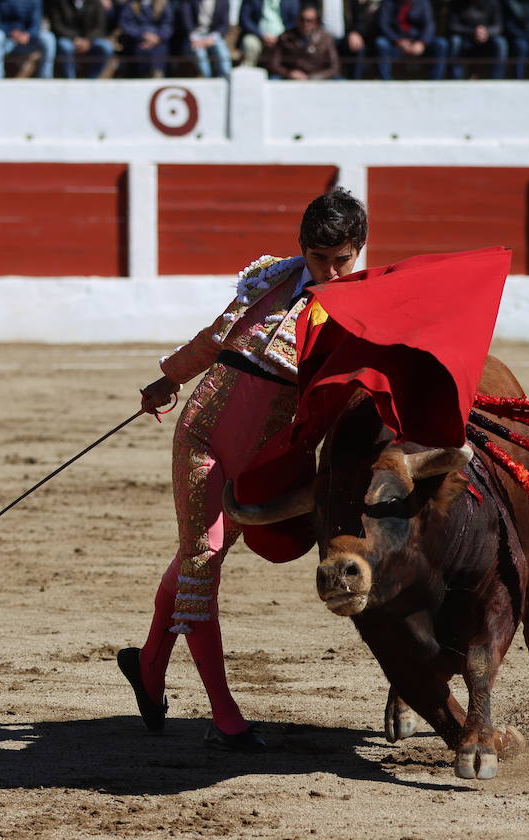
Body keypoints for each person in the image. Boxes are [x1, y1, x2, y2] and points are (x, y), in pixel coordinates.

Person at [119, 189, 369, 752]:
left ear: (357, 252)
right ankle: (224, 714)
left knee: (194, 556)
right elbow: (216, 338)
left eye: (342, 259)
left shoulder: (362, 308)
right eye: (320, 258)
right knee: (201, 559)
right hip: (202, 435)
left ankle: (149, 668)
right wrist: (169, 378)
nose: (330, 270)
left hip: (264, 458)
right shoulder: (271, 280)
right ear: (304, 248)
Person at [373, 0, 446, 78]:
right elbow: (383, 25)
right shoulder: (388, 2)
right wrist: (398, 41)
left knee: (441, 44)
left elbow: (429, 25)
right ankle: (384, 82)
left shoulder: (423, 2)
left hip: (418, 41)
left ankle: (435, 82)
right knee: (381, 43)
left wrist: (422, 42)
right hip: (395, 43)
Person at [265, 2, 340, 78]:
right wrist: (289, 73)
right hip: (290, 77)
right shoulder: (286, 37)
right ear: (297, 20)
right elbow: (274, 64)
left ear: (316, 22)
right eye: (302, 19)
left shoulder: (326, 39)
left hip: (318, 78)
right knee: (274, 79)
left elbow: (334, 67)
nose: (305, 23)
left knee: (340, 81)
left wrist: (312, 77)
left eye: (309, 20)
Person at [0, 0, 56, 78]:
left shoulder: (34, 1)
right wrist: (10, 32)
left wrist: (28, 34)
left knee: (48, 37)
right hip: (7, 40)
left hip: (27, 41)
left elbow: (36, 23)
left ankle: (45, 77)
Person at [47, 0, 113, 77]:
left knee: (106, 47)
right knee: (65, 46)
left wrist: (88, 40)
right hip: (69, 38)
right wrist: (75, 38)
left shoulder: (95, 2)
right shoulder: (60, 2)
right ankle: (70, 80)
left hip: (90, 40)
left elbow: (100, 27)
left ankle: (92, 80)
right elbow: (57, 26)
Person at [445, 0, 508, 78]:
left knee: (501, 42)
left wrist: (486, 32)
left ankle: (496, 80)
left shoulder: (492, 2)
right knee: (455, 41)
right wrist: (473, 32)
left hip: (487, 40)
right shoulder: (457, 3)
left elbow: (498, 26)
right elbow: (452, 26)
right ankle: (455, 79)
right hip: (465, 39)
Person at [177, 0, 231, 78]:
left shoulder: (223, 2)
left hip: (213, 35)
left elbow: (225, 25)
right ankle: (207, 79)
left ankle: (226, 78)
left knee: (222, 52)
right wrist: (194, 38)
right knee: (200, 53)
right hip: (195, 36)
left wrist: (212, 38)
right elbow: (186, 20)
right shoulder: (189, 2)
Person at [119, 0, 173, 76]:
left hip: (158, 41)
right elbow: (125, 25)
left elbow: (168, 25)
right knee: (139, 52)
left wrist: (158, 37)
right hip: (137, 41)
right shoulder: (130, 4)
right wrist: (142, 35)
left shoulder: (163, 4)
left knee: (159, 51)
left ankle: (157, 73)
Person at [238, 0, 297, 66]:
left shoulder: (292, 1)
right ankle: (248, 70)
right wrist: (261, 35)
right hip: (257, 36)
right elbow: (244, 20)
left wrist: (280, 36)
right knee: (249, 42)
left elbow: (294, 21)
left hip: (282, 38)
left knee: (294, 45)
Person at [341, 0, 380, 77]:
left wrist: (357, 32)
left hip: (371, 37)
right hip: (348, 37)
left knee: (381, 44)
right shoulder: (349, 3)